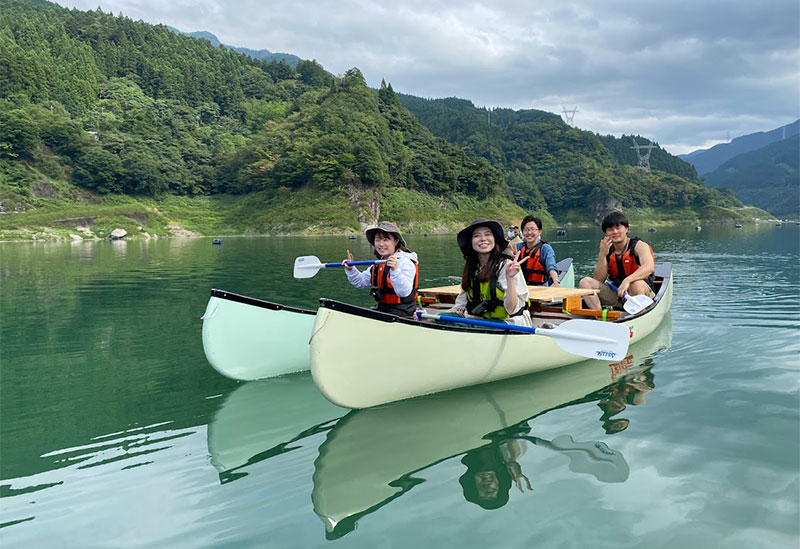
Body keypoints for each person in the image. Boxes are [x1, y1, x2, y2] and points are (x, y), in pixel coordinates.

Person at [447, 218, 531, 327]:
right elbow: (459, 307)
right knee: (440, 320)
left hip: (510, 323)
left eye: (488, 234)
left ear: (495, 239)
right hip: (483, 321)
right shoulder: (472, 268)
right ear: (471, 242)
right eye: (477, 236)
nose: (483, 239)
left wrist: (510, 278)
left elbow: (511, 309)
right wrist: (429, 317)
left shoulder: (508, 266)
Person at [579, 211, 655, 311]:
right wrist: (602, 255)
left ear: (626, 229)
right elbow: (599, 279)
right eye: (610, 229)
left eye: (618, 228)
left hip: (641, 293)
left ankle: (638, 314)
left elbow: (649, 267)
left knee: (636, 284)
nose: (615, 232)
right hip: (618, 293)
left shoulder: (639, 246)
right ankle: (599, 315)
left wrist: (627, 280)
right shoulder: (607, 249)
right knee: (585, 282)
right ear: (606, 233)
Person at [343, 222, 419, 318]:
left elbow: (404, 292)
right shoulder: (379, 264)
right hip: (383, 310)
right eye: (377, 240)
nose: (381, 244)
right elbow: (360, 282)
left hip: (403, 313)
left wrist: (395, 270)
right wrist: (351, 269)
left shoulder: (406, 262)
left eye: (385, 240)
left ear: (395, 241)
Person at [516, 215, 560, 286]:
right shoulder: (519, 247)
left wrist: (556, 281)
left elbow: (551, 266)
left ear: (539, 232)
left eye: (533, 229)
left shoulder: (545, 248)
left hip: (540, 287)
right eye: (526, 230)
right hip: (522, 286)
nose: (529, 233)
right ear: (522, 232)